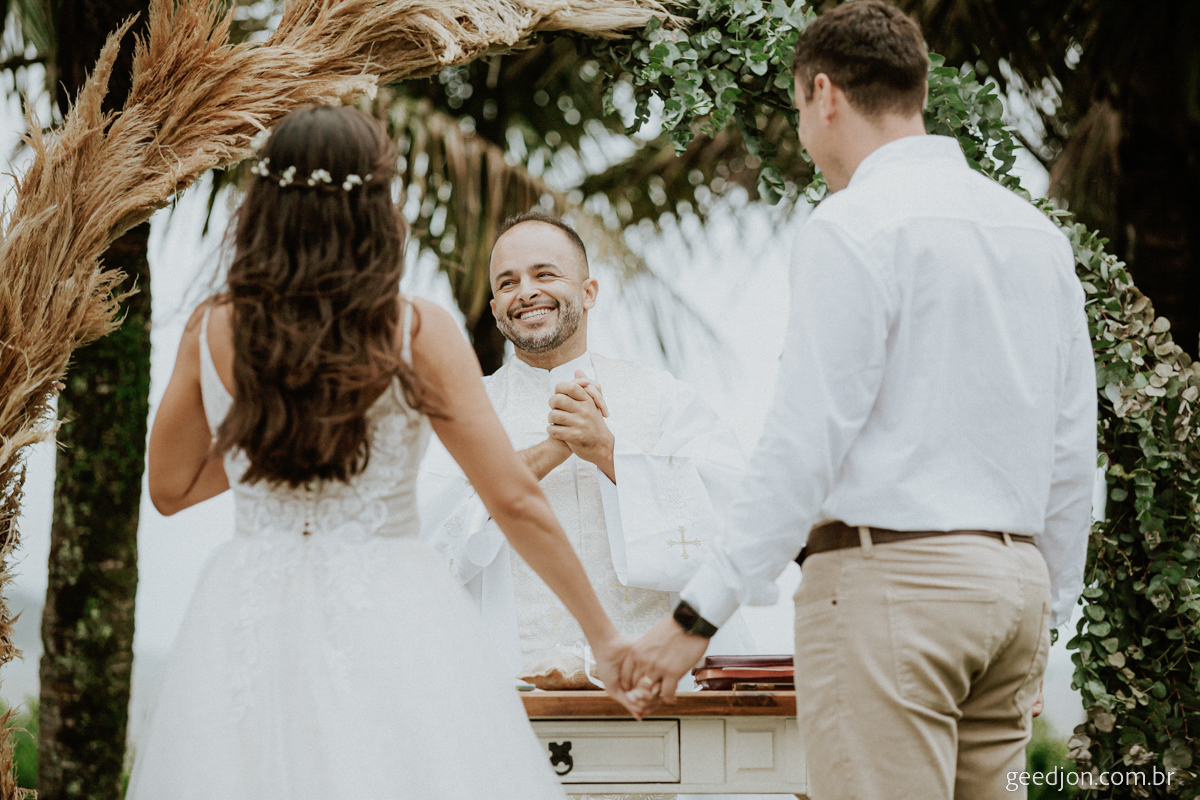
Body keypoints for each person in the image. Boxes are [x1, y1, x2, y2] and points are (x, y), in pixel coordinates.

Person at [620, 3, 1096, 800]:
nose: (806, 134)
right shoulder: (1036, 236)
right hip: (1015, 594)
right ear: (917, 92)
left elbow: (803, 446)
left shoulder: (853, 225)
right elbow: (1072, 446)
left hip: (892, 593)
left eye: (799, 109)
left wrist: (696, 617)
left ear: (824, 94)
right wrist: (1049, 608)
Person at [127, 106, 635, 800]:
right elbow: (513, 499)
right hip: (389, 605)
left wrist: (273, 433)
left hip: (249, 604)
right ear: (375, 207)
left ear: (264, 205)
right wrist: (604, 636)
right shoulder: (416, 330)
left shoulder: (212, 328)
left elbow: (170, 488)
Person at [418, 212, 759, 800]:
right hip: (510, 697)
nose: (526, 292)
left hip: (654, 701)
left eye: (544, 274)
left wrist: (609, 452)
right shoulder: (467, 413)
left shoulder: (664, 399)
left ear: (589, 290)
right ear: (496, 309)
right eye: (507, 282)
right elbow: (426, 540)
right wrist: (548, 453)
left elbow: (736, 515)